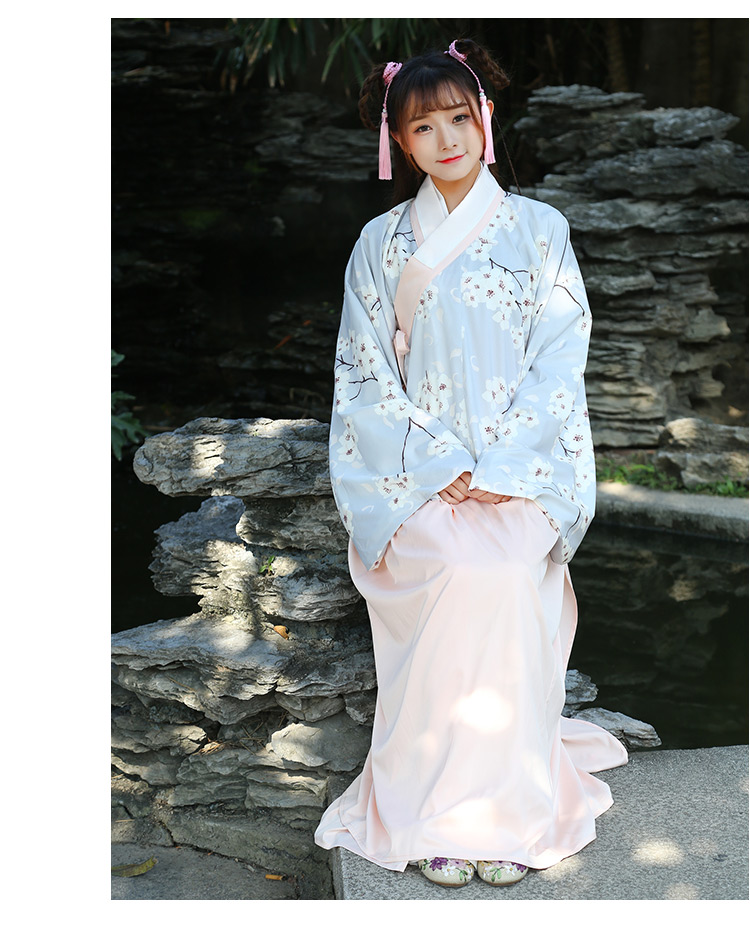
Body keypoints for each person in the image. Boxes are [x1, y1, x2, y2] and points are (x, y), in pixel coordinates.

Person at [313, 38, 628, 890]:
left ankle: (506, 812)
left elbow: (558, 362)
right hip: (415, 476)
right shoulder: (380, 244)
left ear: (485, 119)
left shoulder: (539, 230)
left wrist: (503, 464)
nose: (447, 138)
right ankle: (435, 810)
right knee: (454, 566)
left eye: (460, 117)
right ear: (399, 141)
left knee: (505, 567)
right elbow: (362, 373)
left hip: (518, 472)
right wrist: (435, 461)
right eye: (424, 126)